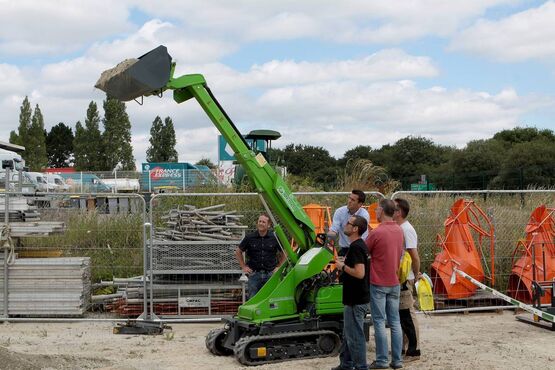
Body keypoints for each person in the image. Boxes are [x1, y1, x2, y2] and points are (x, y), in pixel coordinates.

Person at [366, 199, 404, 370]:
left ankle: (382, 360)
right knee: (395, 322)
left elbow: (364, 250)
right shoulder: (399, 230)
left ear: (381, 210)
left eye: (377, 209)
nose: (375, 212)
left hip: (378, 282)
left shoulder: (376, 232)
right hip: (394, 282)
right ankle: (397, 360)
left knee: (379, 321)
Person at [332, 215, 370, 370]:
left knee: (355, 337)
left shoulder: (356, 247)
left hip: (356, 299)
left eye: (349, 223)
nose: (345, 224)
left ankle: (361, 367)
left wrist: (342, 267)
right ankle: (346, 364)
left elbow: (359, 273)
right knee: (348, 335)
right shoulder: (358, 246)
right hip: (353, 298)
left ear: (355, 229)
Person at [394, 198, 422, 362]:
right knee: (402, 315)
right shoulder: (399, 228)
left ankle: (414, 351)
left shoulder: (406, 229)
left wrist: (415, 274)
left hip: (406, 279)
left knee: (408, 315)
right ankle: (404, 349)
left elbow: (414, 256)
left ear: (399, 212)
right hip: (401, 278)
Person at [235, 214, 285, 298]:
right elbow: (238, 252)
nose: (261, 223)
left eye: (263, 222)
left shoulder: (274, 237)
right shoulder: (249, 237)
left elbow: (285, 252)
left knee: (271, 299)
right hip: (254, 275)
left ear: (268, 225)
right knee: (253, 299)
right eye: (259, 221)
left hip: (270, 275)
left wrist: (279, 266)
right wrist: (243, 266)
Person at [329, 190, 370, 256]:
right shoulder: (339, 211)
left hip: (358, 249)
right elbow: (333, 230)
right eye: (349, 198)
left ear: (360, 204)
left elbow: (362, 237)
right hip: (344, 250)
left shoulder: (364, 215)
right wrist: (327, 240)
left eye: (353, 200)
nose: (349, 201)